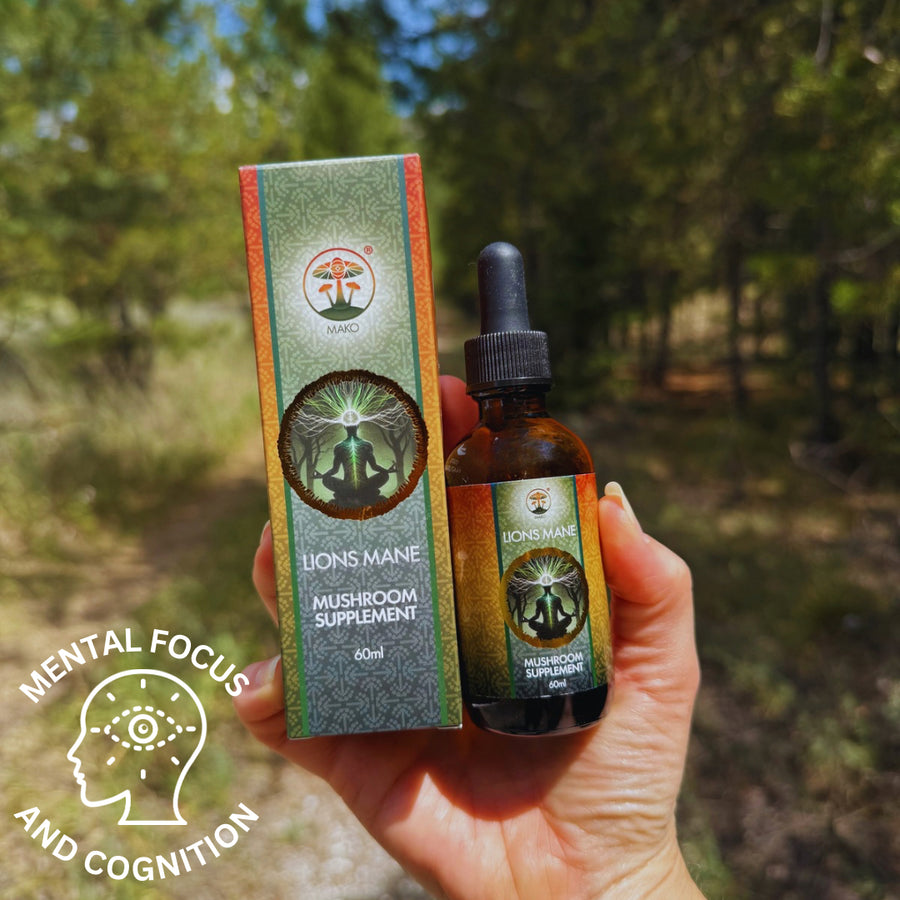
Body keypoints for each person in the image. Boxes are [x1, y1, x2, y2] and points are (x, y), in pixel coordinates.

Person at [233, 375, 705, 900]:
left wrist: (627, 876)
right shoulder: (467, 462)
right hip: (493, 697)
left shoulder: (558, 449)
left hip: (578, 698)